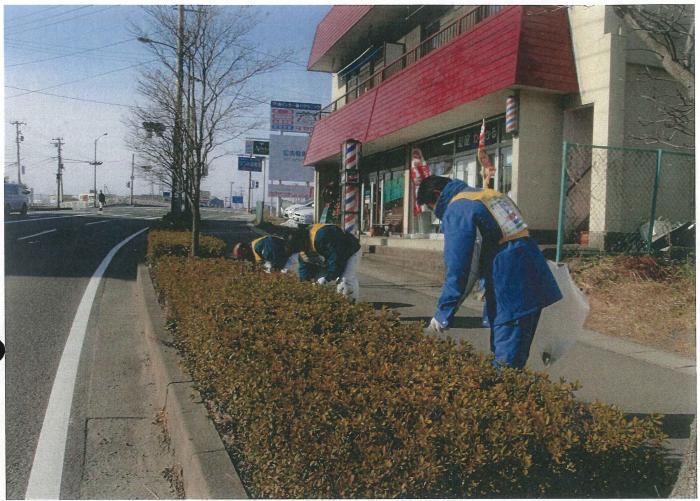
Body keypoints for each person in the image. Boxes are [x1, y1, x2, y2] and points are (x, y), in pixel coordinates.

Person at [416, 175, 562, 369]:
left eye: (431, 207)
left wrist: (443, 314)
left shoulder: (458, 208)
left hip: (510, 285)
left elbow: (462, 267)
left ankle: (505, 395)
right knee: (515, 352)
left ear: (437, 195)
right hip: (532, 275)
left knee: (505, 362)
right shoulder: (489, 195)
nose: (435, 213)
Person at [287, 223, 361, 301]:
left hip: (350, 251)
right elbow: (304, 268)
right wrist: (304, 285)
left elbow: (336, 259)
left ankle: (351, 304)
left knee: (345, 280)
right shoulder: (303, 247)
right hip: (330, 256)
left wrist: (328, 278)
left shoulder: (323, 236)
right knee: (319, 281)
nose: (302, 250)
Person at [232, 235, 297, 274]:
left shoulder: (259, 247)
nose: (245, 259)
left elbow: (276, 261)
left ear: (245, 250)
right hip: (287, 256)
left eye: (243, 257)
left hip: (292, 257)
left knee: (284, 272)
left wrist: (273, 271)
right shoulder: (256, 246)